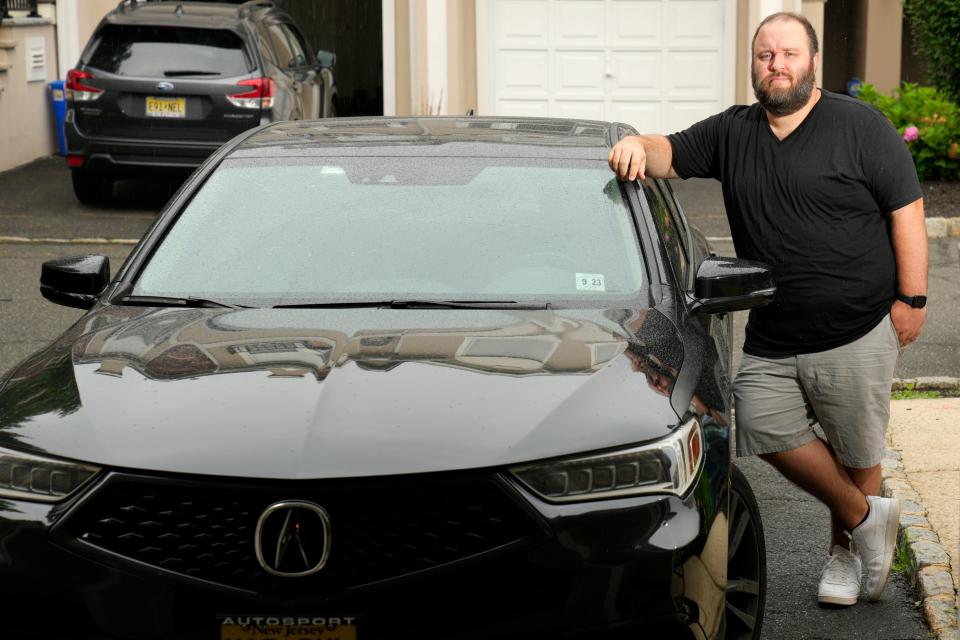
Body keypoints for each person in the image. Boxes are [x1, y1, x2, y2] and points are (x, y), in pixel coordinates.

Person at [608, 11, 927, 607]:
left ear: (813, 62)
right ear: (753, 65)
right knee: (757, 421)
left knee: (857, 450)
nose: (776, 65)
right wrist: (634, 142)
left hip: (855, 327)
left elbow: (906, 210)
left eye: (788, 54)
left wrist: (912, 299)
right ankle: (866, 520)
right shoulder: (734, 132)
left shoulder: (860, 127)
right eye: (765, 55)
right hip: (774, 331)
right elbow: (666, 152)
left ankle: (845, 557)